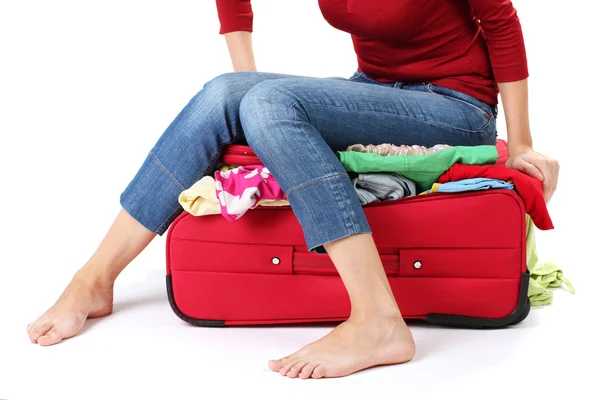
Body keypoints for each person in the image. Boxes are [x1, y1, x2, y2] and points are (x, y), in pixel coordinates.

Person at [27, 0, 559, 379]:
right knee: (225, 94)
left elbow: (501, 24)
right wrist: (244, 102)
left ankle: (377, 320)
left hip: (453, 107)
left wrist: (521, 146)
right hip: (373, 90)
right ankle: (94, 280)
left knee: (269, 103)